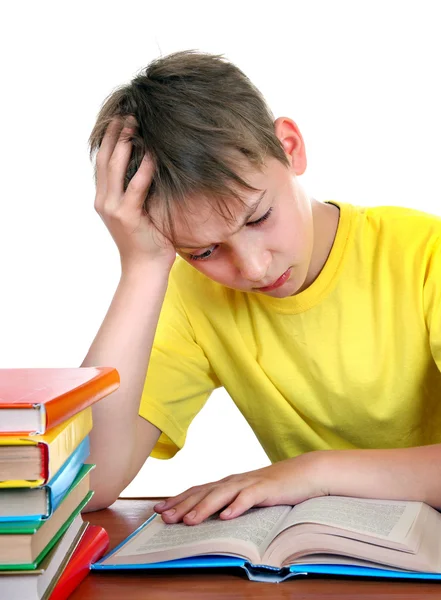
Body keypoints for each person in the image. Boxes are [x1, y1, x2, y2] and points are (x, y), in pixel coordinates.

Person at [82, 50, 441, 525]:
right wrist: (142, 268)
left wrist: (312, 473)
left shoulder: (423, 254)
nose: (252, 268)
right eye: (204, 251)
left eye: (259, 217)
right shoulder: (191, 298)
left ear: (289, 148)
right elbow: (86, 484)